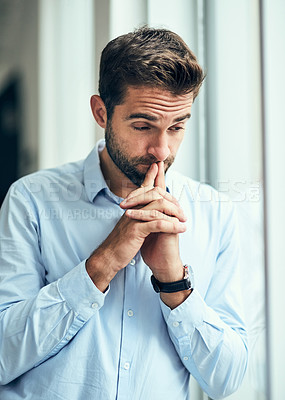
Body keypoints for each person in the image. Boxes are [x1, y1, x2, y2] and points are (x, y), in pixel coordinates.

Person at [0, 27, 248, 400]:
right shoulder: (30, 201)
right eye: (143, 126)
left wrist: (173, 282)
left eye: (177, 127)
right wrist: (103, 263)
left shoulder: (216, 214)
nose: (161, 150)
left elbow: (226, 381)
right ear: (101, 112)